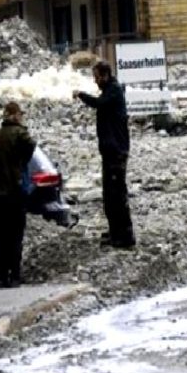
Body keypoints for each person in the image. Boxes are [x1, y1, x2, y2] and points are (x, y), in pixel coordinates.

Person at [73, 61, 136, 250]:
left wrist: (81, 95)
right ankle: (115, 232)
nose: (95, 81)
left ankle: (125, 236)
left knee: (117, 195)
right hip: (110, 151)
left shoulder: (114, 91)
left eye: (97, 77)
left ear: (105, 75)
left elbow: (99, 103)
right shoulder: (110, 91)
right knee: (109, 196)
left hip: (116, 152)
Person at [0, 102, 36, 287]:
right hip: (16, 191)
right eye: (20, 114)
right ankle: (15, 275)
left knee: (3, 236)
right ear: (15, 116)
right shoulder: (20, 134)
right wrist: (21, 161)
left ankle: (2, 276)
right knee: (16, 235)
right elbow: (31, 144)